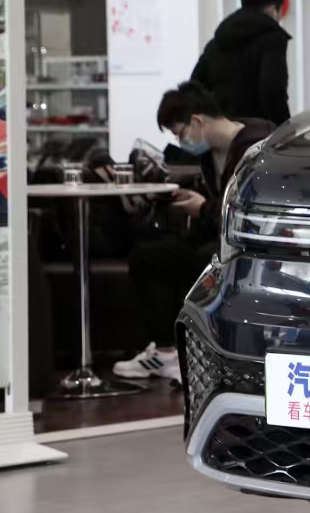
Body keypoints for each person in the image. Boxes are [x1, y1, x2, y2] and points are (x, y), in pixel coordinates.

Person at [113, 83, 274, 383]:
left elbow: (246, 212)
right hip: (216, 239)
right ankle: (167, 351)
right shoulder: (210, 156)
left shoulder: (255, 148)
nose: (181, 142)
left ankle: (189, 353)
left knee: (192, 262)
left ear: (197, 121)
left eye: (180, 133)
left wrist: (202, 208)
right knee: (147, 257)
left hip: (246, 248)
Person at [191, 0, 292, 125]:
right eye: (279, 14)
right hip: (259, 131)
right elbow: (272, 90)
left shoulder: (216, 42)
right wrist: (285, 127)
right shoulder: (271, 39)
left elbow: (195, 86)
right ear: (272, 9)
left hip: (223, 130)